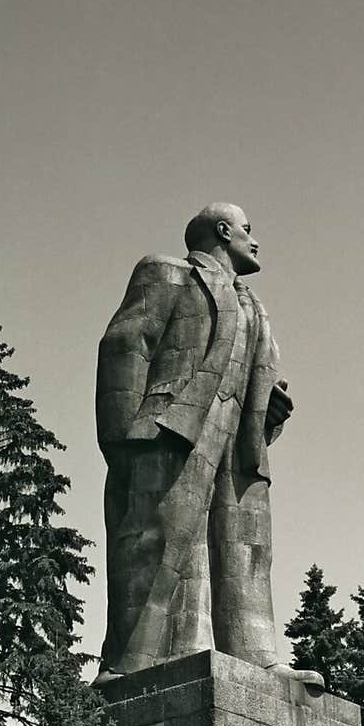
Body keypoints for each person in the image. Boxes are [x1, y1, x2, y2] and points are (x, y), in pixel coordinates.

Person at [94, 202, 323, 686]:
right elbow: (124, 344)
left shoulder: (254, 306)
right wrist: (125, 438)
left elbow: (256, 374)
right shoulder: (167, 273)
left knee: (246, 547)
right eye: (247, 230)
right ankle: (127, 666)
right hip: (170, 428)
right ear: (223, 231)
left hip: (239, 438)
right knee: (158, 540)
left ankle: (259, 659)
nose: (254, 239)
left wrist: (269, 412)